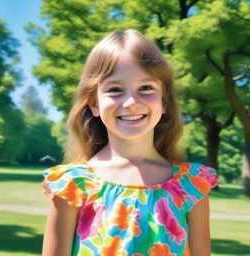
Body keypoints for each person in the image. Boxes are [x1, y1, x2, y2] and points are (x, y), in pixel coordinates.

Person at [42, 29, 218, 256]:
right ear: (94, 104)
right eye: (115, 90)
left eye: (146, 88)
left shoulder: (191, 186)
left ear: (164, 101)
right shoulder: (73, 185)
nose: (131, 102)